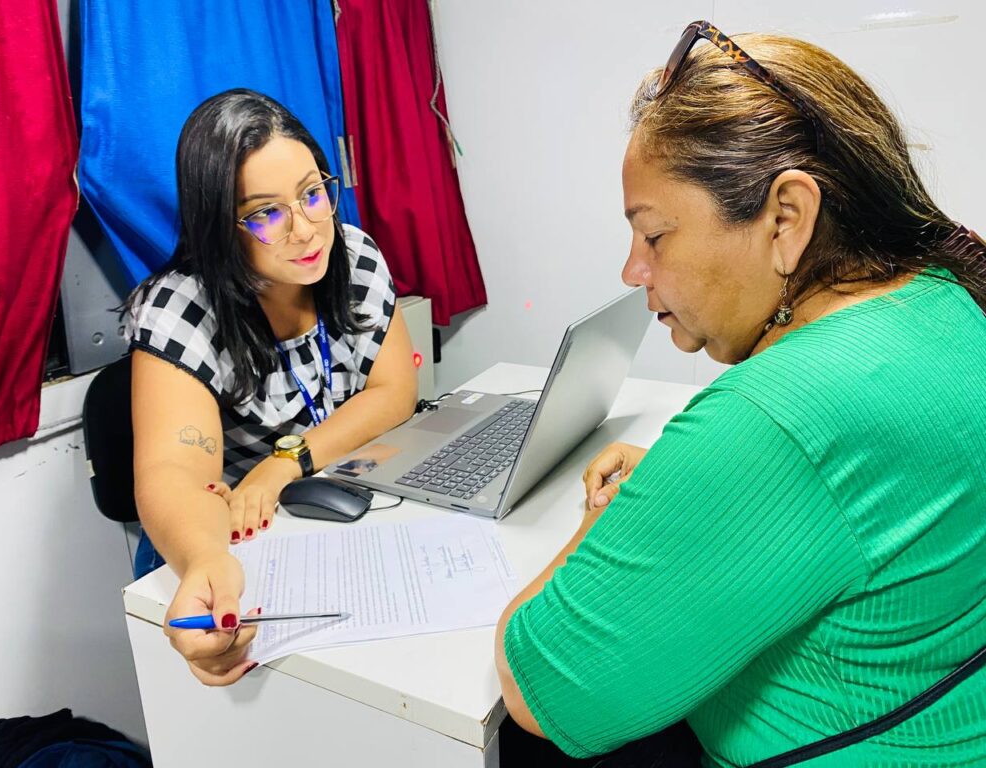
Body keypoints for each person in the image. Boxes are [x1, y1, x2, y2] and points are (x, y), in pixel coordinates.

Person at [496, 21, 986, 767]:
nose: (634, 271)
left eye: (654, 236)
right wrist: (697, 483)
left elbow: (542, 686)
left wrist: (616, 514)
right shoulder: (947, 296)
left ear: (787, 217)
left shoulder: (780, 413)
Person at [124, 89, 417, 685]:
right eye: (266, 213)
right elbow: (175, 472)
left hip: (320, 512)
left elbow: (393, 391)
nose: (306, 229)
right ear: (218, 225)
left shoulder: (353, 255)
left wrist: (287, 462)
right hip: (223, 538)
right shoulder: (179, 308)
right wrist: (206, 561)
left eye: (313, 194)